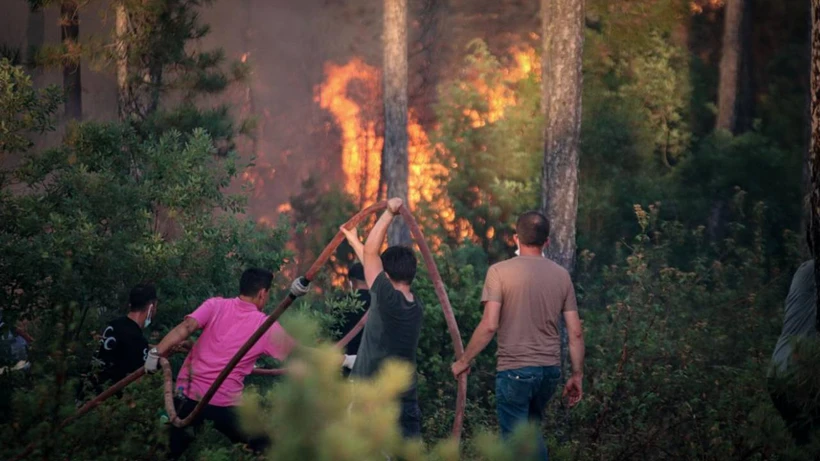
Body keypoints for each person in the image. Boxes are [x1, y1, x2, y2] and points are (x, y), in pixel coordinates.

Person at [145, 268, 349, 458]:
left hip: (187, 394)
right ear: (262, 293)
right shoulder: (264, 325)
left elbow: (186, 327)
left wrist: (155, 353)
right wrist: (344, 359)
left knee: (165, 453)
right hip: (223, 403)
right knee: (265, 448)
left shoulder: (215, 305)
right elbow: (299, 352)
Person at [451, 211, 585, 460]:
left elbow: (489, 325)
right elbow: (575, 332)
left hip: (515, 371)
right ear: (547, 241)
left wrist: (463, 361)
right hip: (548, 373)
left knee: (514, 445)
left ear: (516, 238)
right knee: (530, 437)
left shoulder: (499, 272)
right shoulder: (562, 276)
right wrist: (577, 375)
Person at [348, 198, 424, 439]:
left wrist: (389, 213)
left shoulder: (387, 299)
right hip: (405, 400)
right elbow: (372, 264)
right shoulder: (415, 304)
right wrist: (353, 240)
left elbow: (371, 254)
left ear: (386, 274)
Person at [769, 257, 819, 446]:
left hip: (777, 371)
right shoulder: (814, 272)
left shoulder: (804, 269)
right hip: (804, 374)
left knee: (803, 445)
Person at [88, 284, 157, 391]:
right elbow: (140, 380)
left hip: (87, 392)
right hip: (107, 401)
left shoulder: (113, 325)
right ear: (150, 307)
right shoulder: (137, 340)